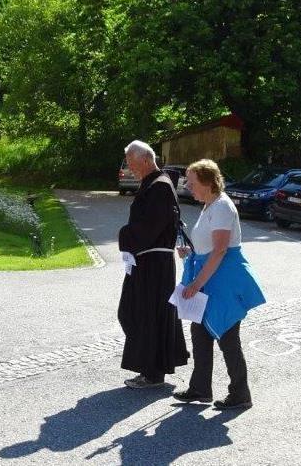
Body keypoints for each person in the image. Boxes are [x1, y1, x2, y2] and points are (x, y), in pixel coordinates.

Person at [172, 159, 265, 410]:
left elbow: (221, 250)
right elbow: (208, 246)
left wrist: (196, 283)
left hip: (223, 281)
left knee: (227, 336)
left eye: (192, 182)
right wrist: (190, 253)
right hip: (210, 278)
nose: (187, 186)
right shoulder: (209, 205)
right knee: (200, 334)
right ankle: (200, 388)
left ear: (207, 182)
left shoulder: (222, 206)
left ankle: (240, 393)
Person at [117, 140, 189, 388]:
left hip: (154, 264)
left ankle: (153, 372)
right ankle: (149, 368)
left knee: (147, 315)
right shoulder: (154, 183)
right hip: (146, 261)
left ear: (147, 160)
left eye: (132, 163)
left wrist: (124, 235)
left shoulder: (159, 186)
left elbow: (150, 227)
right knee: (134, 312)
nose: (130, 168)